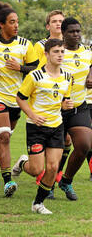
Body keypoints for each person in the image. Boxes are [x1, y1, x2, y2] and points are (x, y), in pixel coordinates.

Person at [0, 1, 38, 197]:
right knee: (3, 135)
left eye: (17, 22)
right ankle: (8, 180)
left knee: (5, 137)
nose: (16, 25)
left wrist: (20, 68)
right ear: (1, 24)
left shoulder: (25, 44)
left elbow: (36, 69)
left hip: (17, 99)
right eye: (12, 22)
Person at [13, 39, 73, 214]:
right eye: (56, 51)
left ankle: (38, 203)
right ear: (46, 54)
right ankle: (23, 163)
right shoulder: (35, 76)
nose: (60, 55)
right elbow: (20, 98)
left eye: (62, 51)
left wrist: (65, 105)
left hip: (56, 126)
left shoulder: (67, 77)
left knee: (53, 167)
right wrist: (32, 115)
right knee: (36, 169)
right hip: (36, 127)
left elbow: (63, 100)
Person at [33, 10, 70, 198]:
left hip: (65, 101)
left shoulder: (72, 44)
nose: (58, 24)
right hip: (42, 105)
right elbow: (33, 69)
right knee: (37, 165)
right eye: (54, 21)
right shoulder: (39, 46)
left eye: (60, 21)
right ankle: (44, 176)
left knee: (69, 142)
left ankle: (55, 179)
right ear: (48, 25)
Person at [57, 17, 92, 201]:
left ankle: (66, 180)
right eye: (72, 31)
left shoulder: (87, 51)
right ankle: (46, 183)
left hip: (80, 107)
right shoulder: (57, 52)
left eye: (78, 31)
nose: (76, 34)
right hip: (56, 110)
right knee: (55, 151)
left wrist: (90, 76)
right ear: (63, 33)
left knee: (84, 145)